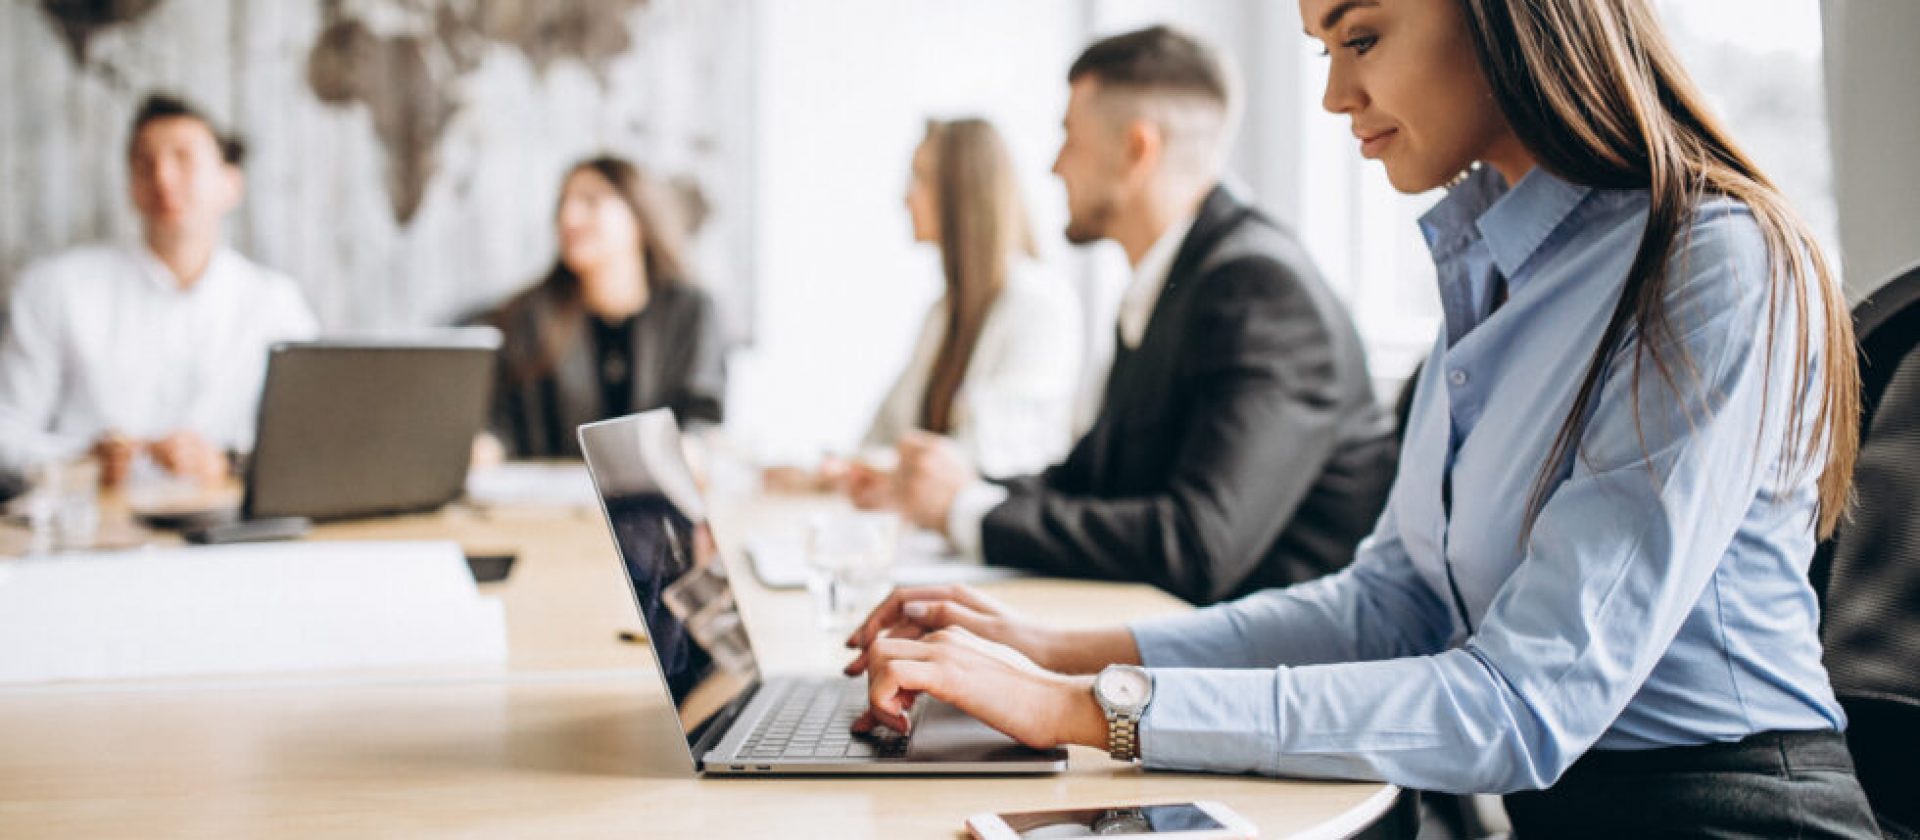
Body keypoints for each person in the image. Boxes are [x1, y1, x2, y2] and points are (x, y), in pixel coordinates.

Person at [841, 1, 1881, 836]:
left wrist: (1086, 710)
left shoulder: (1710, 261)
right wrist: (1053, 650)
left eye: (1363, 35)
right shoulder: (1495, 274)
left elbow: (1521, 704)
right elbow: (1386, 606)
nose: (1337, 93)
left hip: (1728, 812)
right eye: (1322, 48)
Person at [852, 26, 1393, 606]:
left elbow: (1199, 545)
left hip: (1276, 669)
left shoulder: (1261, 290)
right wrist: (956, 487)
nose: (1054, 165)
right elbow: (1090, 480)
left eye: (1070, 138)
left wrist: (964, 510)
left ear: (1138, 150)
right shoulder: (1171, 281)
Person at [0, 93, 318, 488]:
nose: (163, 178)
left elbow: (311, 441)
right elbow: (6, 432)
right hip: (90, 532)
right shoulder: (54, 289)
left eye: (183, 159)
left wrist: (227, 462)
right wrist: (80, 461)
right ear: (131, 186)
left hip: (229, 535)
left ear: (230, 184)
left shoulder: (276, 305)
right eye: (144, 164)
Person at [771, 118, 1081, 495]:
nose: (905, 197)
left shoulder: (1039, 304)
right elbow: (884, 431)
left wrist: (860, 469)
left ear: (962, 193)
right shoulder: (943, 313)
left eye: (921, 178)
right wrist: (826, 470)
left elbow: (987, 456)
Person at [479, 156, 726, 459]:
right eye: (563, 204)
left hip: (652, 496)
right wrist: (488, 445)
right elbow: (503, 422)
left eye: (590, 201)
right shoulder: (528, 316)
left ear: (638, 216)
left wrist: (692, 447)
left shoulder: (691, 311)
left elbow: (703, 415)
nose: (569, 217)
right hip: (545, 500)